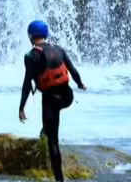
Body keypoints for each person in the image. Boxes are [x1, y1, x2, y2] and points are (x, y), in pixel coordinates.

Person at [18, 20, 87, 182]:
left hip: (51, 100)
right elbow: (73, 71)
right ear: (46, 35)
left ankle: (59, 179)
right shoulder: (59, 49)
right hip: (68, 97)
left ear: (30, 36)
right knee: (51, 120)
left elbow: (27, 84)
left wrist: (21, 108)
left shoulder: (31, 56)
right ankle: (46, 128)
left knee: (52, 141)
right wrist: (80, 84)